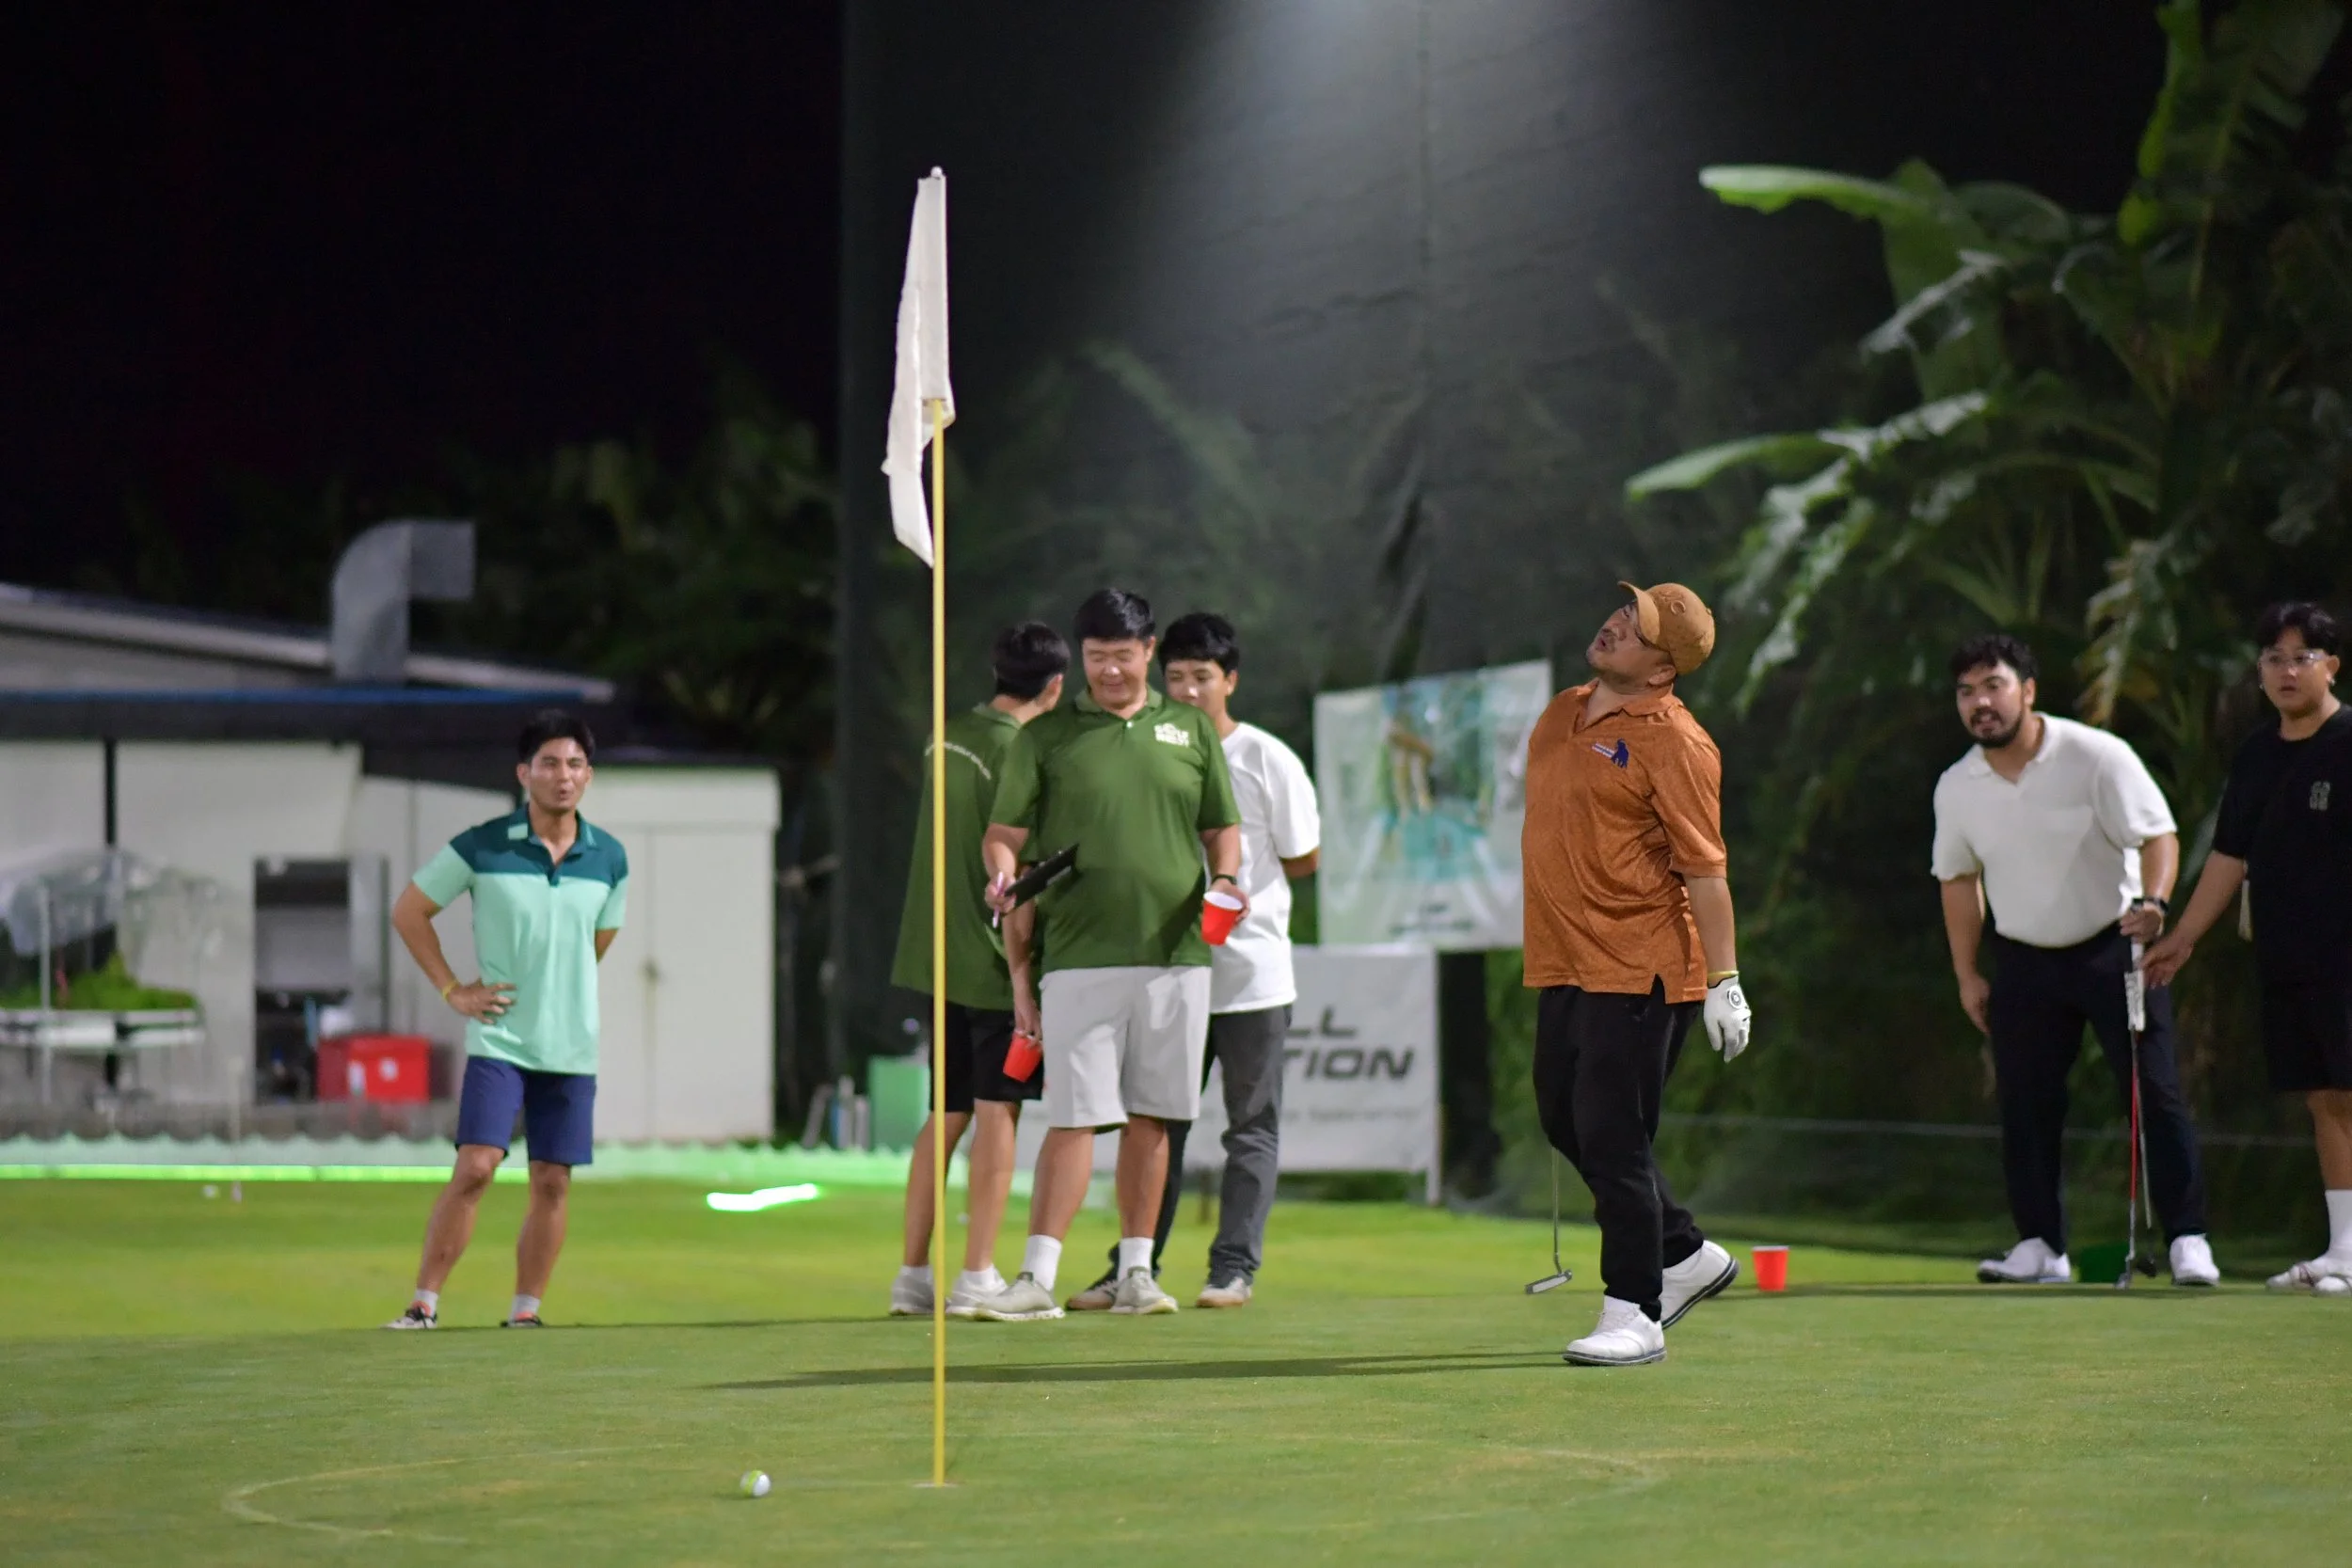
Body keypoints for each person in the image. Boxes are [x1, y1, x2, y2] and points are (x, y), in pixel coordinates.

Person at [973, 588, 1244, 1322]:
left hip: (1177, 953)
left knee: (1154, 1116)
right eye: (1097, 658)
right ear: (1081, 656)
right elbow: (1005, 833)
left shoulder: (1190, 730)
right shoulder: (1046, 738)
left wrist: (1224, 879)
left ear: (1150, 651)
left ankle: (1135, 1273)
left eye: (1125, 656)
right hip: (1078, 954)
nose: (1113, 672)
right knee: (1073, 1117)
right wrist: (1001, 870)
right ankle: (1035, 1278)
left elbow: (1223, 829)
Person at [1931, 634, 2217, 1287]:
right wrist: (1967, 972)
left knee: (2154, 1094)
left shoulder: (2095, 754)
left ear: (2028, 690)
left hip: (2113, 947)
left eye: (1993, 686)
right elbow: (1957, 880)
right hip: (2024, 958)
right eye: (1967, 692)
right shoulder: (1957, 786)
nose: (1980, 703)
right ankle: (2040, 1243)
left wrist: (2155, 901)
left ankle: (2187, 1239)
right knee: (2026, 1103)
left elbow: (2157, 834)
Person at [1521, 583, 1750, 1367]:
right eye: (1624, 610)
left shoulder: (1678, 742)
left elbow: (1706, 870)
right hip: (1566, 959)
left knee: (1616, 1134)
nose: (1617, 621)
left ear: (1664, 669)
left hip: (1645, 964)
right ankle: (1683, 1250)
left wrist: (1724, 978)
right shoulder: (1562, 711)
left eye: (1640, 626)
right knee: (1564, 1118)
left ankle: (1637, 1307)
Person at [1066, 612, 1321, 1311]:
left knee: (1250, 1125)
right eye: (1173, 676)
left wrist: (1236, 884)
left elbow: (1304, 856)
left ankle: (1232, 1267)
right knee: (1154, 1120)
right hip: (1169, 969)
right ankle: (1133, 1267)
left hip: (1253, 973)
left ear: (1229, 680)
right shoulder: (1149, 748)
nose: (1185, 690)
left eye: (1200, 677)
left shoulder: (1267, 758)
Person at [381, 711, 628, 1329]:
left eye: (574, 764)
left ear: (588, 775)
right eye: (549, 763)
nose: (562, 776)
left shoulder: (610, 858)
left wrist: (560, 986)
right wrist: (451, 988)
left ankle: (525, 1312)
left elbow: (597, 940)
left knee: (552, 1181)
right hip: (501, 1036)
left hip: (572, 1044)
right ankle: (423, 1303)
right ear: (524, 773)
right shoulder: (482, 844)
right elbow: (410, 911)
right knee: (477, 1166)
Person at [2147, 603, 2352, 1290]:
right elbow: (2230, 856)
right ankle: (2345, 1251)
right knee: (2325, 1098)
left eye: (2302, 656)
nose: (2286, 670)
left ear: (2332, 665)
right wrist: (2181, 938)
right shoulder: (2259, 753)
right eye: (2273, 658)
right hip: (2290, 955)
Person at [886, 622, 1069, 1320]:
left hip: (936, 957)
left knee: (946, 1111)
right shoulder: (1023, 751)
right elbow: (1016, 865)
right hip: (995, 963)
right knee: (999, 1111)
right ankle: (978, 1273)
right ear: (1055, 686)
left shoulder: (946, 735)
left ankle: (911, 1275)